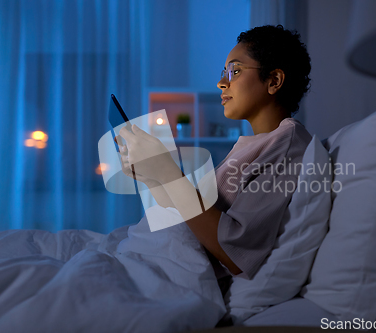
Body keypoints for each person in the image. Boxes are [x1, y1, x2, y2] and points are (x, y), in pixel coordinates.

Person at [118, 25, 312, 282]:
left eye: (235, 71)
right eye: (225, 73)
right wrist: (150, 175)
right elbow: (192, 220)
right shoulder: (253, 144)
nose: (222, 83)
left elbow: (235, 254)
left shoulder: (287, 145)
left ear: (274, 81)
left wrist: (167, 173)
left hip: (181, 275)